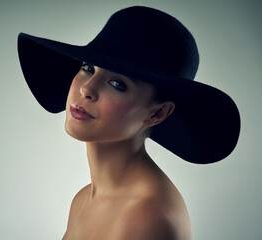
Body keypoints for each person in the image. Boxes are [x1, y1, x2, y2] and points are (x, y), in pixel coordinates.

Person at [17, 6, 240, 240]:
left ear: (158, 113)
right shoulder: (83, 199)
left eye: (117, 84)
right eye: (87, 68)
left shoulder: (147, 217)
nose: (87, 88)